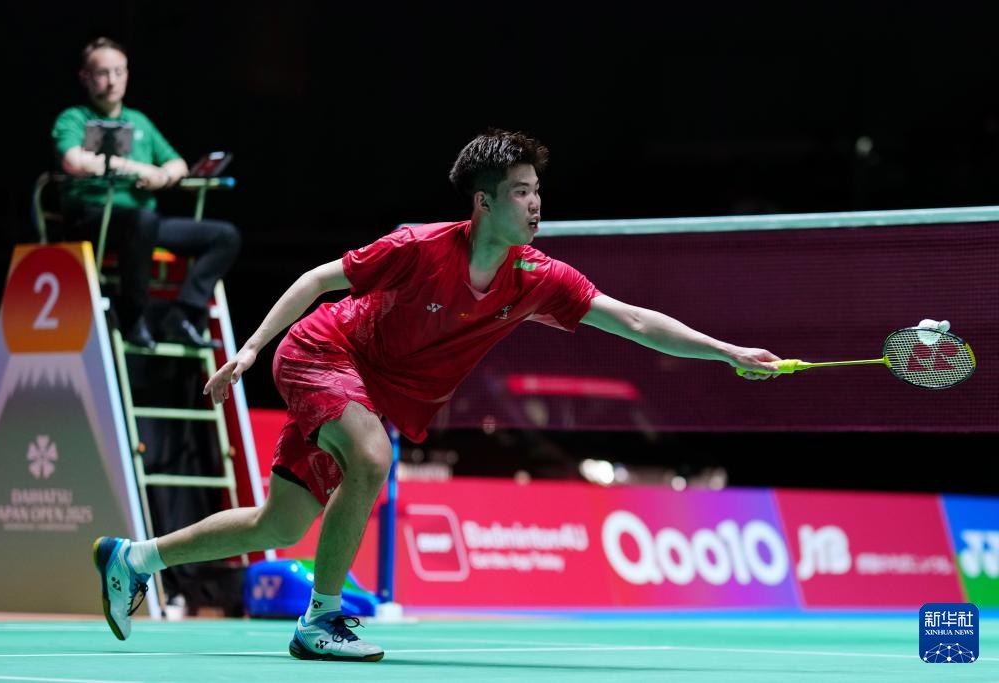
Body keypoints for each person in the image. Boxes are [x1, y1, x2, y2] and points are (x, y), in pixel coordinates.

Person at [92, 129, 781, 661]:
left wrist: (727, 352)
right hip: (322, 353)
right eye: (520, 191)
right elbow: (317, 280)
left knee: (278, 526)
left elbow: (632, 320)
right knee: (371, 456)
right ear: (484, 202)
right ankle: (321, 620)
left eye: (537, 190)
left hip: (368, 390)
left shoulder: (538, 278)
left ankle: (135, 558)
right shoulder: (420, 247)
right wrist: (248, 350)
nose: (536, 202)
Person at [52, 37, 240, 349]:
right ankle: (132, 316)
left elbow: (177, 164)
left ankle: (181, 314)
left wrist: (162, 176)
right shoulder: (74, 118)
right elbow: (73, 160)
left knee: (224, 236)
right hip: (93, 219)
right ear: (85, 77)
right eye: (103, 73)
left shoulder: (138, 121)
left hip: (144, 224)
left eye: (119, 71)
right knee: (142, 220)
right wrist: (137, 169)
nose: (112, 80)